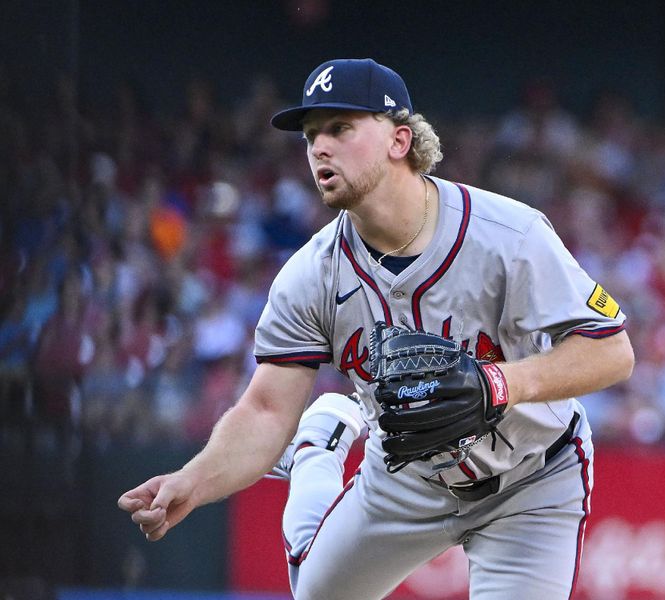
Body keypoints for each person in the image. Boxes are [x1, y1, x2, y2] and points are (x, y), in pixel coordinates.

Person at [118, 58, 635, 599]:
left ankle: (322, 442)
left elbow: (612, 352)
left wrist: (500, 384)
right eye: (312, 135)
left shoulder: (510, 234)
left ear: (399, 140)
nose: (319, 147)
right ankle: (319, 445)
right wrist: (191, 482)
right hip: (406, 478)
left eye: (340, 128)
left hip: (531, 478)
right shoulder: (310, 275)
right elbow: (266, 411)